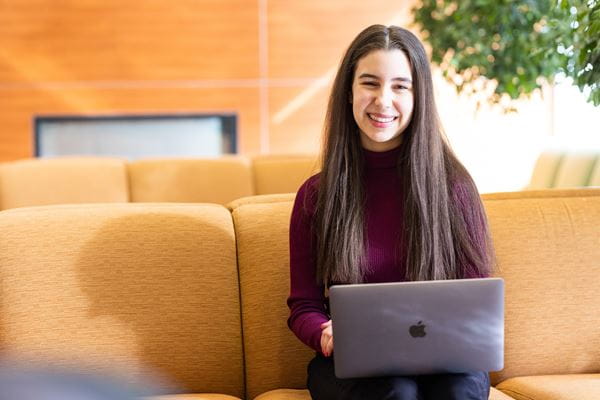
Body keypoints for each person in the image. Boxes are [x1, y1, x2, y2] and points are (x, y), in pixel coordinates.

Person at [287, 24, 495, 400]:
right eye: (370, 83)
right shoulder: (316, 196)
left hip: (447, 365)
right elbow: (303, 305)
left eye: (400, 86)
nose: (383, 101)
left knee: (457, 391)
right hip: (353, 366)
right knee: (395, 392)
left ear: (419, 98)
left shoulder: (455, 189)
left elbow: (475, 299)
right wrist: (325, 331)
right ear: (348, 91)